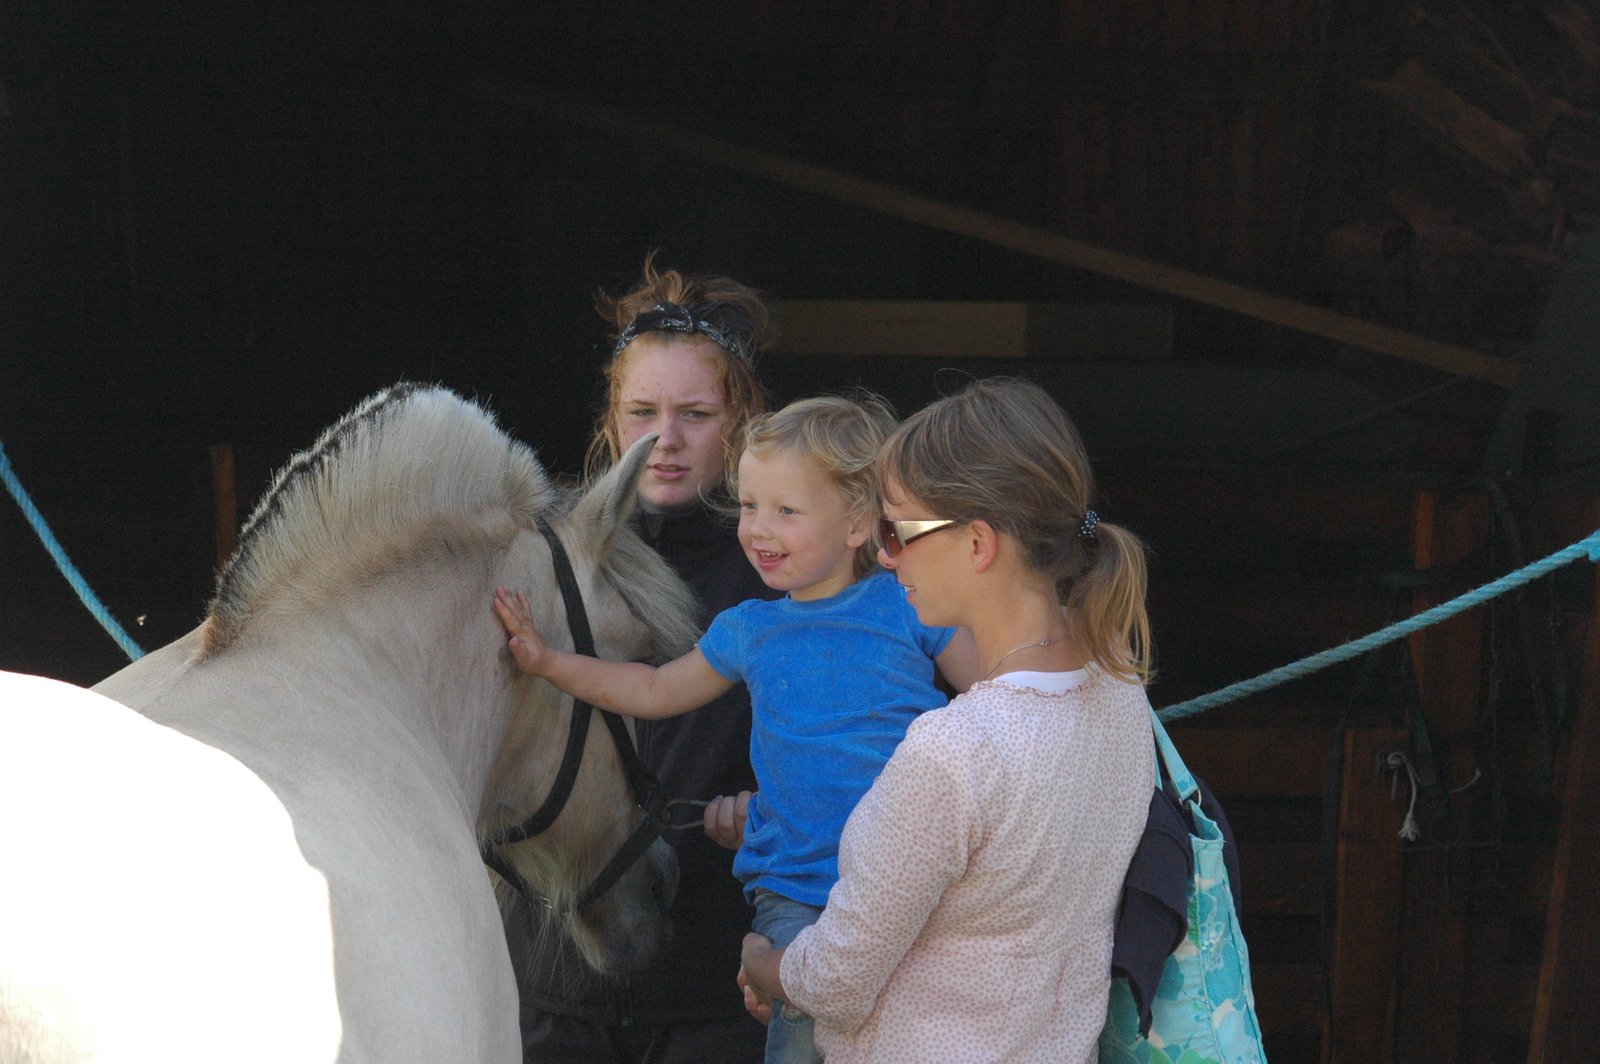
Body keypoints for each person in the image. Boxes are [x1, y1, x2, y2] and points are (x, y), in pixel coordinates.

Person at [495, 392, 981, 1064]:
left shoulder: (909, 603)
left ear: (857, 524)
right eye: (750, 506)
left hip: (911, 881)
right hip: (798, 890)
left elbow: (996, 698)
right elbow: (652, 690)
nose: (758, 529)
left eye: (786, 511)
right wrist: (549, 662)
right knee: (801, 1045)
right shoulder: (750, 630)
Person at [737, 377, 1157, 1064]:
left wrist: (763, 962)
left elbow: (837, 981)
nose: (883, 555)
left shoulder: (954, 752)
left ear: (978, 544)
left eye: (897, 530)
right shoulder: (1120, 691)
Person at [500, 255, 778, 1063]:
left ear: (741, 420)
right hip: (554, 989)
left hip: (718, 991)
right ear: (611, 417)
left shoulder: (783, 574)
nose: (665, 440)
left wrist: (773, 808)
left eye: (696, 413)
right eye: (642, 412)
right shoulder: (539, 562)